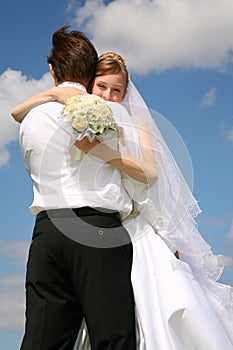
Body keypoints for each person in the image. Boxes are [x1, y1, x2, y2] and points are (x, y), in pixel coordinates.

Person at [12, 52, 233, 349]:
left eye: (117, 90)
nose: (108, 95)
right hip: (94, 231)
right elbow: (17, 112)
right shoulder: (78, 116)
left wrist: (101, 152)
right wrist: (54, 92)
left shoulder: (132, 119)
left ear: (126, 92)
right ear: (89, 85)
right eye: (102, 87)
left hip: (131, 230)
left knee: (144, 321)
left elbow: (150, 172)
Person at [16, 27, 163, 350]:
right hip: (97, 230)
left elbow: (18, 120)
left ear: (52, 70)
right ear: (89, 71)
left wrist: (48, 96)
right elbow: (147, 175)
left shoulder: (30, 118)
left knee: (43, 340)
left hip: (47, 234)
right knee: (112, 337)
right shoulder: (113, 113)